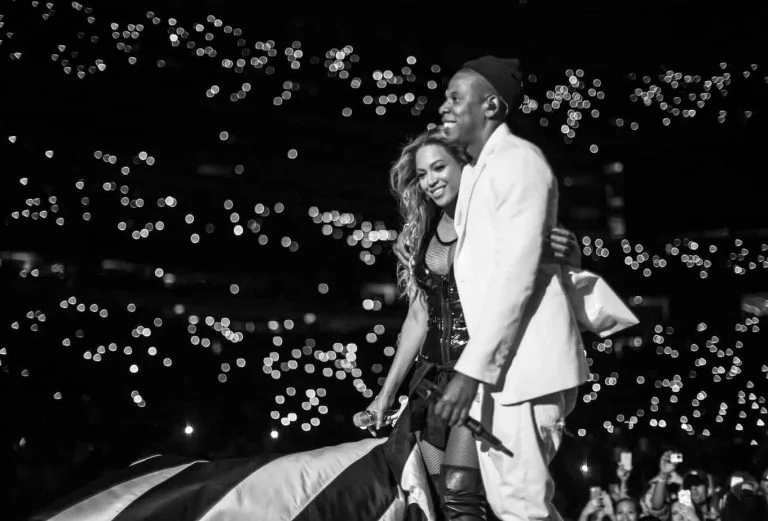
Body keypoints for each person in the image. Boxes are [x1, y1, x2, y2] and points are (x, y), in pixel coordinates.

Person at [367, 127, 582, 520]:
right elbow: (418, 318)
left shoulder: (497, 222)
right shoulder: (420, 235)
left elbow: (539, 285)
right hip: (430, 382)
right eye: (422, 173)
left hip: (479, 379)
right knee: (439, 495)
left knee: (460, 492)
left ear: (466, 165)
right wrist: (386, 395)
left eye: (439, 168)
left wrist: (570, 256)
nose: (430, 181)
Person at [425, 55, 588, 520]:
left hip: (527, 371)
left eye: (456, 97)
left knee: (521, 507)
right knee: (511, 506)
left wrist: (469, 373)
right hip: (505, 375)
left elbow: (517, 277)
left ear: (492, 105)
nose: (444, 106)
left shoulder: (518, 162)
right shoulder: (480, 171)